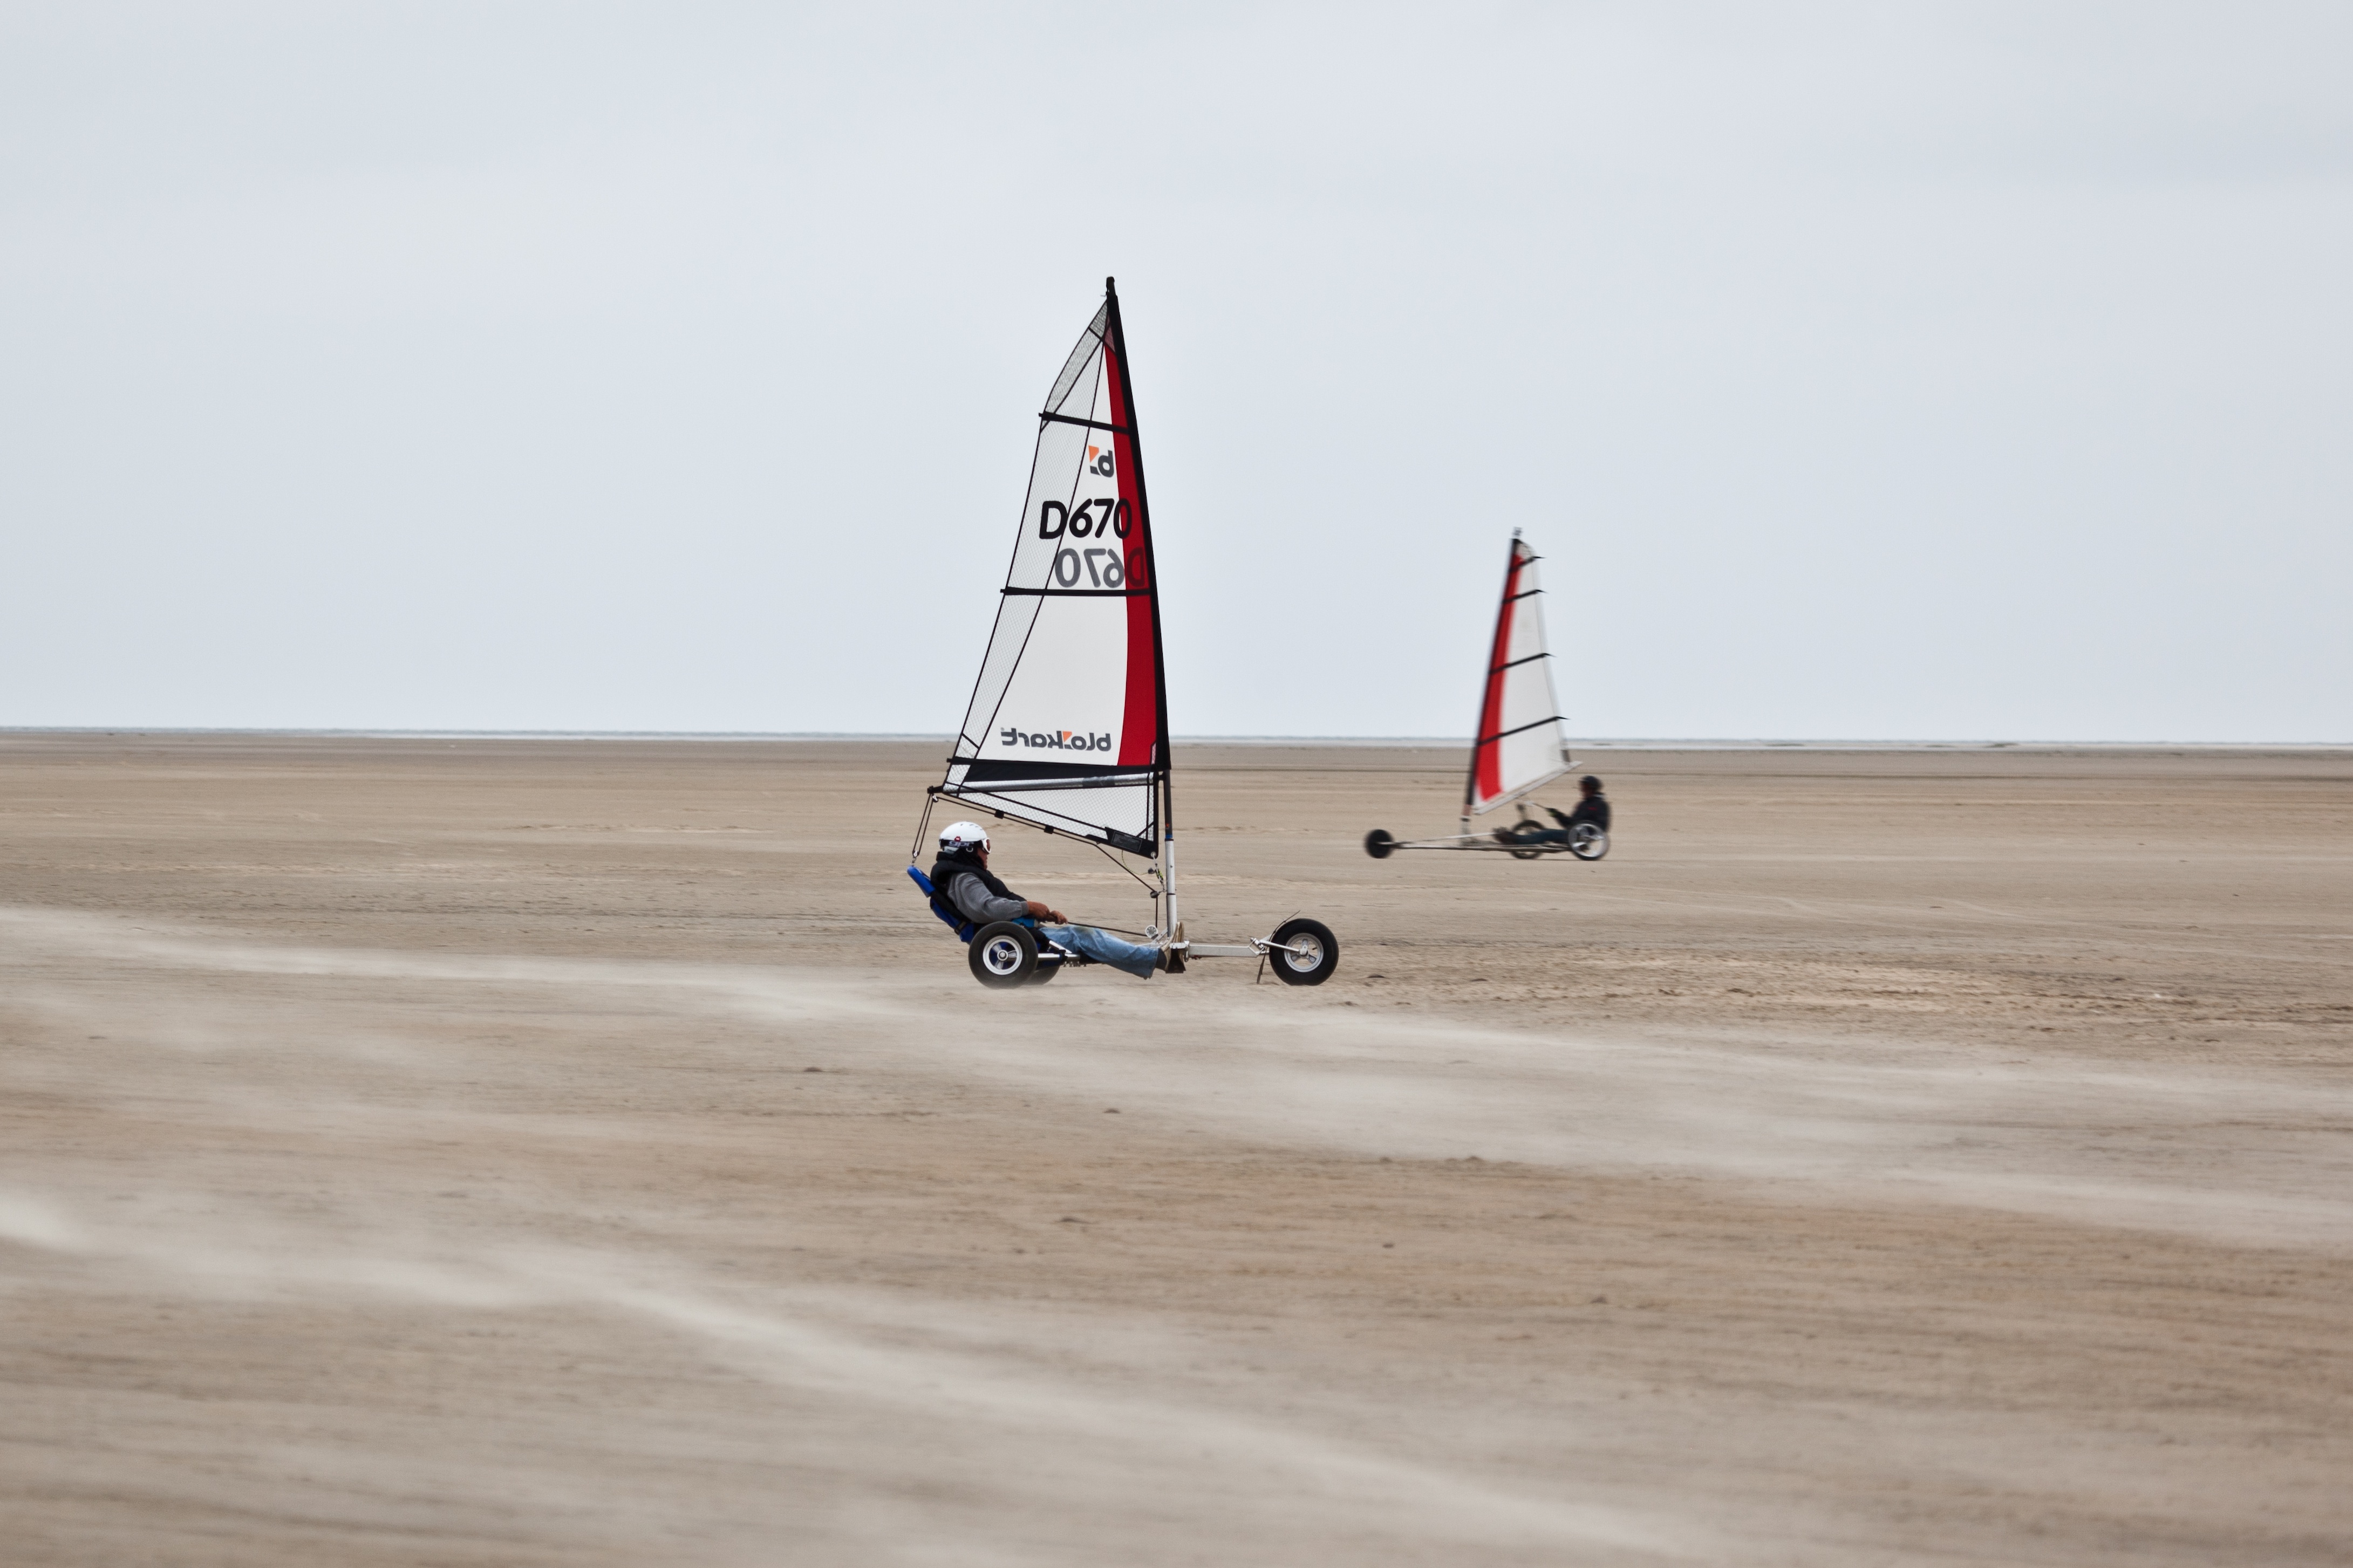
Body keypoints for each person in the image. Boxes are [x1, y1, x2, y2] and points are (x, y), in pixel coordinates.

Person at [927, 821, 1181, 977]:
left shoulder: (960, 875)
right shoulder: (964, 878)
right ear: (968, 849)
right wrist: (1028, 907)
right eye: (985, 847)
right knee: (1086, 936)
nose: (987, 854)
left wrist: (1041, 914)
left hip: (1015, 933)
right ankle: (1156, 958)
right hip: (1006, 937)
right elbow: (985, 909)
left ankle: (1153, 954)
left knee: (1087, 936)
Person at [1492, 775, 1610, 847]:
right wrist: (1557, 815)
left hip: (1582, 836)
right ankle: (1513, 837)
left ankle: (1514, 839)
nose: (1582, 791)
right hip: (1572, 833)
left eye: (1586, 788)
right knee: (1543, 833)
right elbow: (1569, 823)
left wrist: (1585, 830)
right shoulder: (1583, 805)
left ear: (1593, 789)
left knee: (1548, 834)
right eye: (1582, 788)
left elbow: (1603, 827)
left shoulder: (1601, 805)